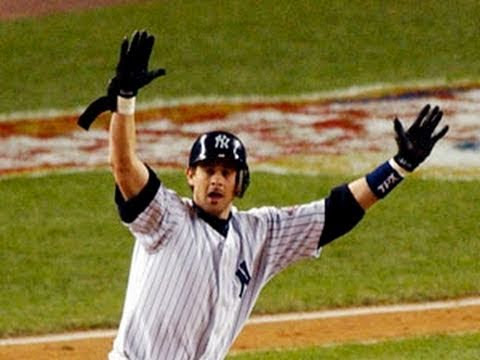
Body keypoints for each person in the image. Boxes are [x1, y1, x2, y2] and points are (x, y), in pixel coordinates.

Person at [80, 30, 449, 360]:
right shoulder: (166, 219)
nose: (217, 181)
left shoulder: (260, 236)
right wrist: (125, 101)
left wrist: (397, 167)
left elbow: (336, 212)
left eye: (226, 172)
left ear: (239, 183)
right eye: (209, 170)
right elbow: (124, 166)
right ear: (191, 175)